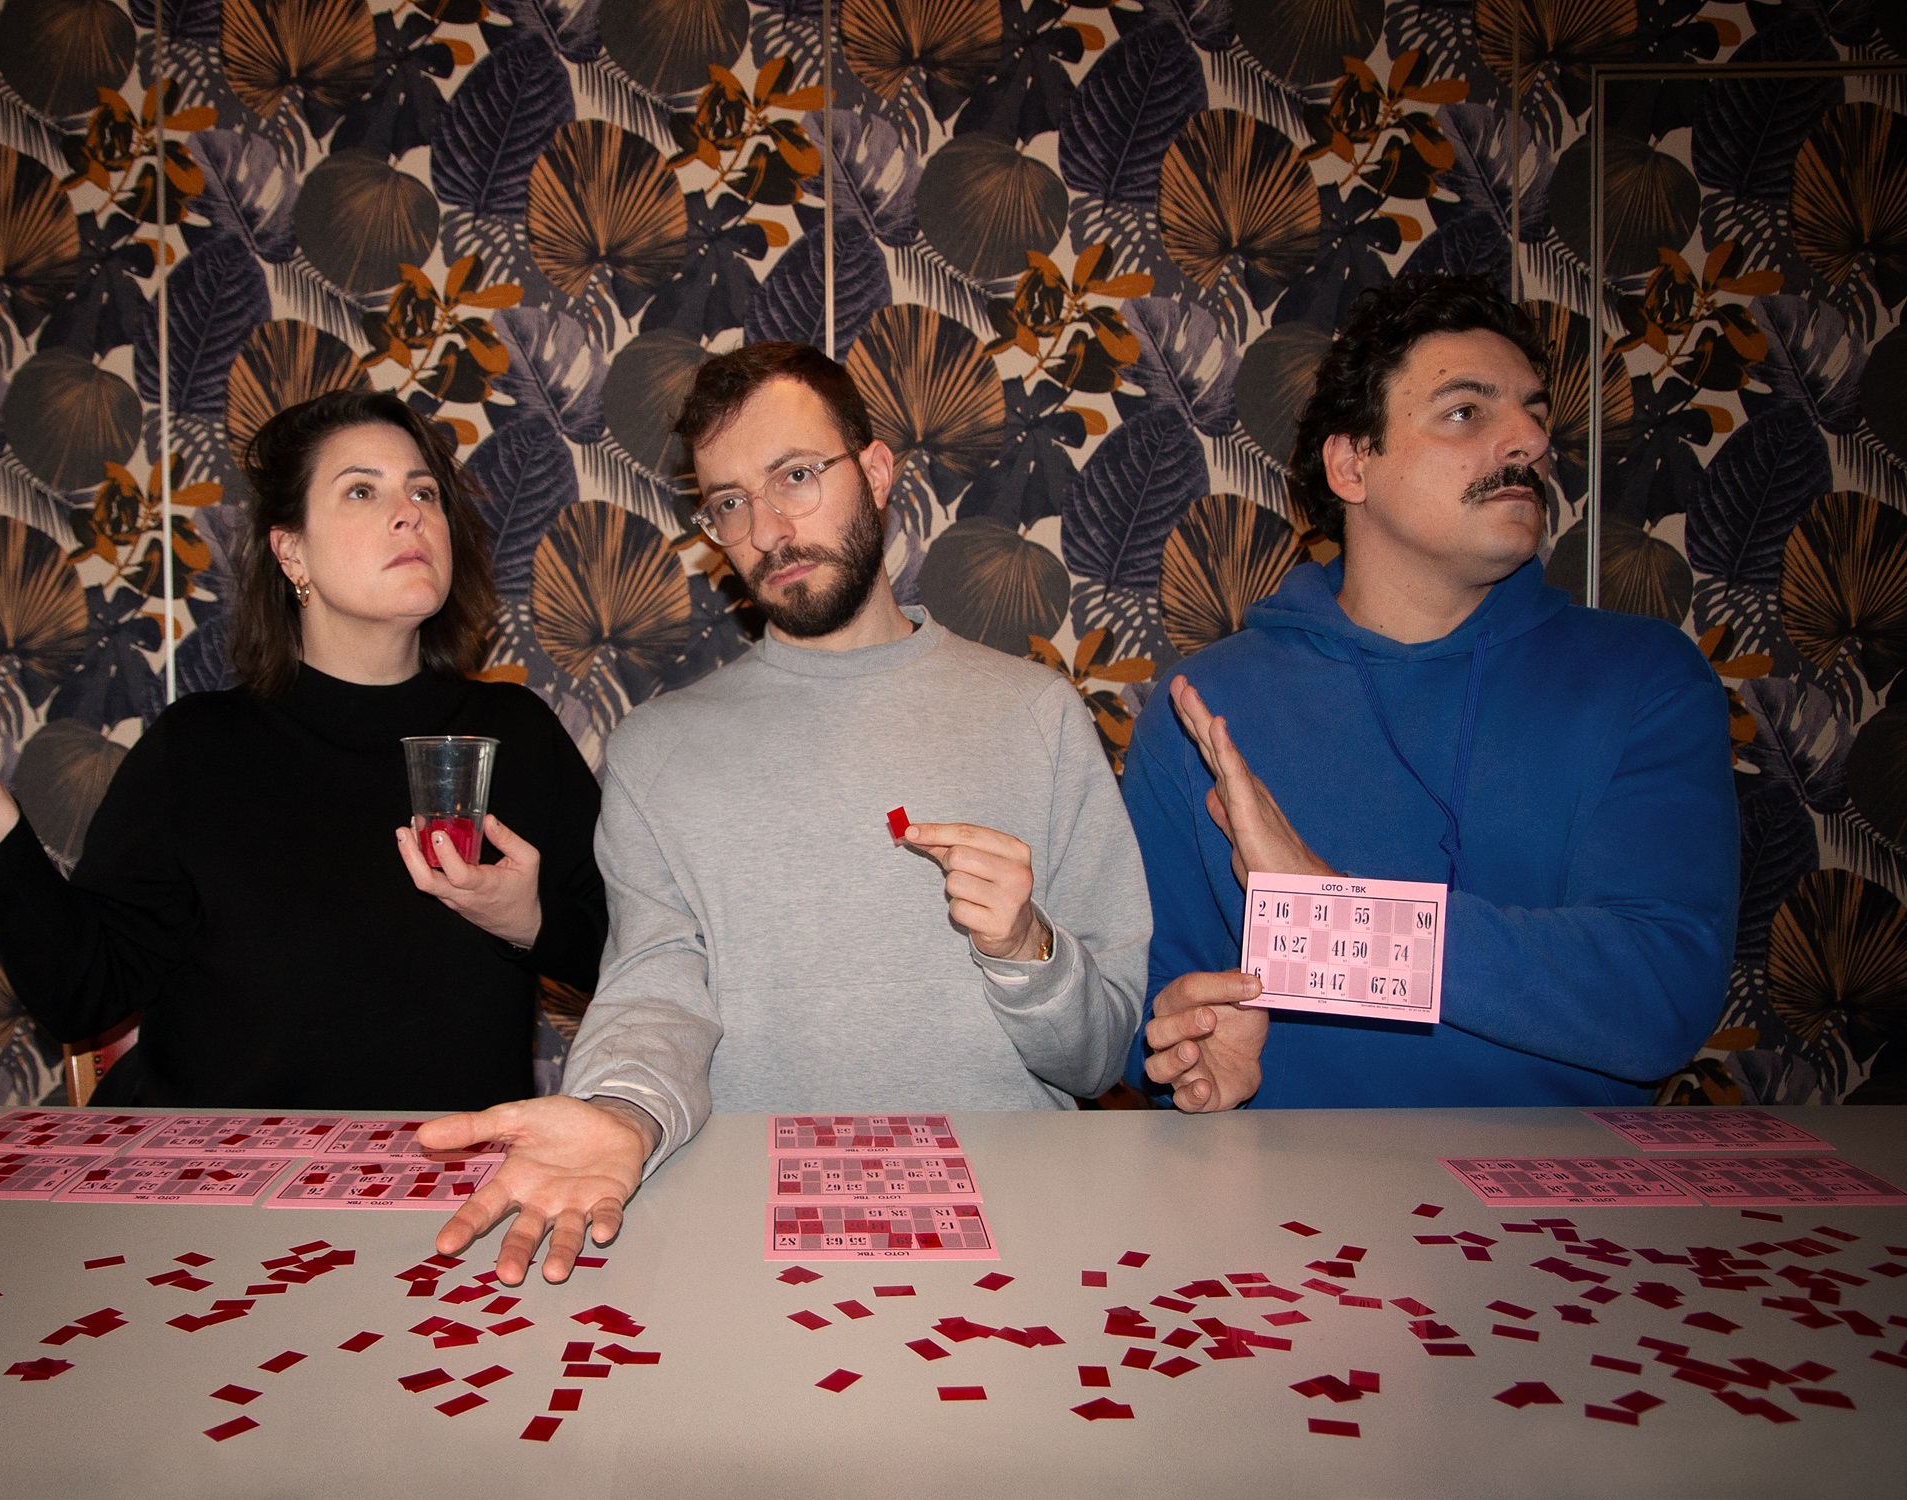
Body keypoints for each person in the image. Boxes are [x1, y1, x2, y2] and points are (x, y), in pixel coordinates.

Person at [414, 341, 1150, 1283]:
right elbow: (654, 989)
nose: (767, 530)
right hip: (745, 1241)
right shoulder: (656, 751)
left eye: (795, 476)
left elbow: (1098, 1059)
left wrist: (1026, 950)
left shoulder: (1037, 715)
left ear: (875, 471)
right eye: (728, 502)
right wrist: (621, 1114)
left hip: (1009, 1240)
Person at [0, 390, 607, 1108]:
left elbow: (632, 952)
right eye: (362, 490)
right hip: (226, 1179)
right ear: (291, 552)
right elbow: (86, 995)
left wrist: (526, 918)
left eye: (423, 491)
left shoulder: (514, 732)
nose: (410, 514)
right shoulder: (201, 747)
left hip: (449, 1176)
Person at [1123, 274, 1737, 1112]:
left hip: (1566, 1187)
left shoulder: (1646, 678)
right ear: (1352, 464)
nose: (1527, 440)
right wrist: (1186, 1061)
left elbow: (1659, 997)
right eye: (1464, 412)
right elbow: (1149, 1013)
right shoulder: (1203, 706)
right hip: (1284, 1181)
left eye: (1534, 414)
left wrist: (1338, 921)